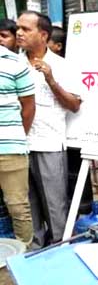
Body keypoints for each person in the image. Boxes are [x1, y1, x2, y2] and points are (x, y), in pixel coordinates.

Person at [16, 11, 82, 248]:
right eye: (18, 28)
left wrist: (52, 81)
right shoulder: (12, 64)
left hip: (49, 145)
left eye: (26, 29)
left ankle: (61, 251)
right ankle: (35, 253)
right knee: (28, 207)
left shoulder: (63, 66)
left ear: (43, 35)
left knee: (55, 209)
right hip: (19, 145)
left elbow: (74, 105)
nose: (19, 33)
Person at [0, 45, 35, 246]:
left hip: (10, 148)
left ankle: (24, 254)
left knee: (18, 207)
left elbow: (28, 106)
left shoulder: (14, 63)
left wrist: (16, 135)